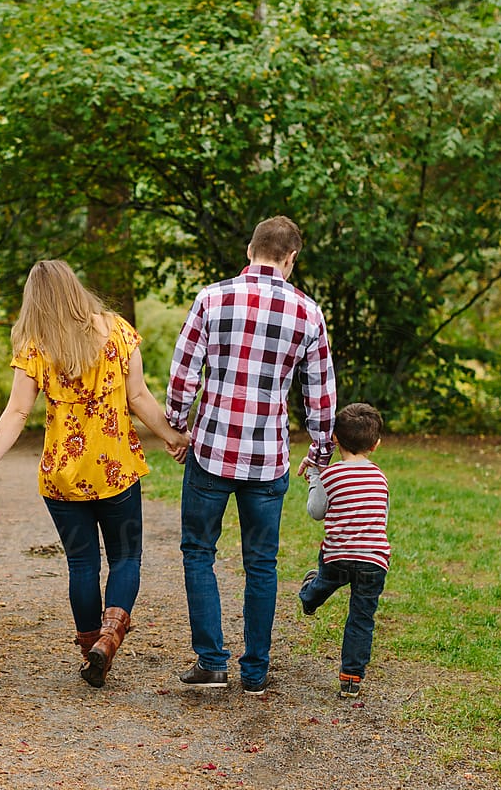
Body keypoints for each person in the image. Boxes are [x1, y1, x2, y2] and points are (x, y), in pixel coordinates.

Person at [0, 260, 188, 688]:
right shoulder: (118, 331)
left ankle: (92, 651)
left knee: (81, 564)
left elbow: (17, 411)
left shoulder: (35, 345)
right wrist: (174, 436)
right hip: (115, 468)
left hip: (63, 477)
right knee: (125, 558)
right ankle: (110, 637)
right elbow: (138, 397)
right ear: (74, 288)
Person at [166, 215, 336, 695]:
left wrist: (179, 428)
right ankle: (256, 672)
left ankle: (212, 662)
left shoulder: (211, 298)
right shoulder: (308, 312)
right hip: (268, 457)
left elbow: (183, 375)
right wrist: (321, 452)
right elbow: (321, 396)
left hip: (212, 451)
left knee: (199, 551)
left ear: (249, 250)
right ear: (291, 259)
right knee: (261, 562)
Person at [299, 402, 389, 699]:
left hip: (338, 556)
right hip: (373, 560)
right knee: (361, 617)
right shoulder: (380, 477)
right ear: (375, 444)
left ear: (335, 438)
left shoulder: (332, 475)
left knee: (326, 577)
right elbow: (383, 515)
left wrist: (314, 476)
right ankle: (351, 676)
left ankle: (309, 597)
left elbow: (316, 511)